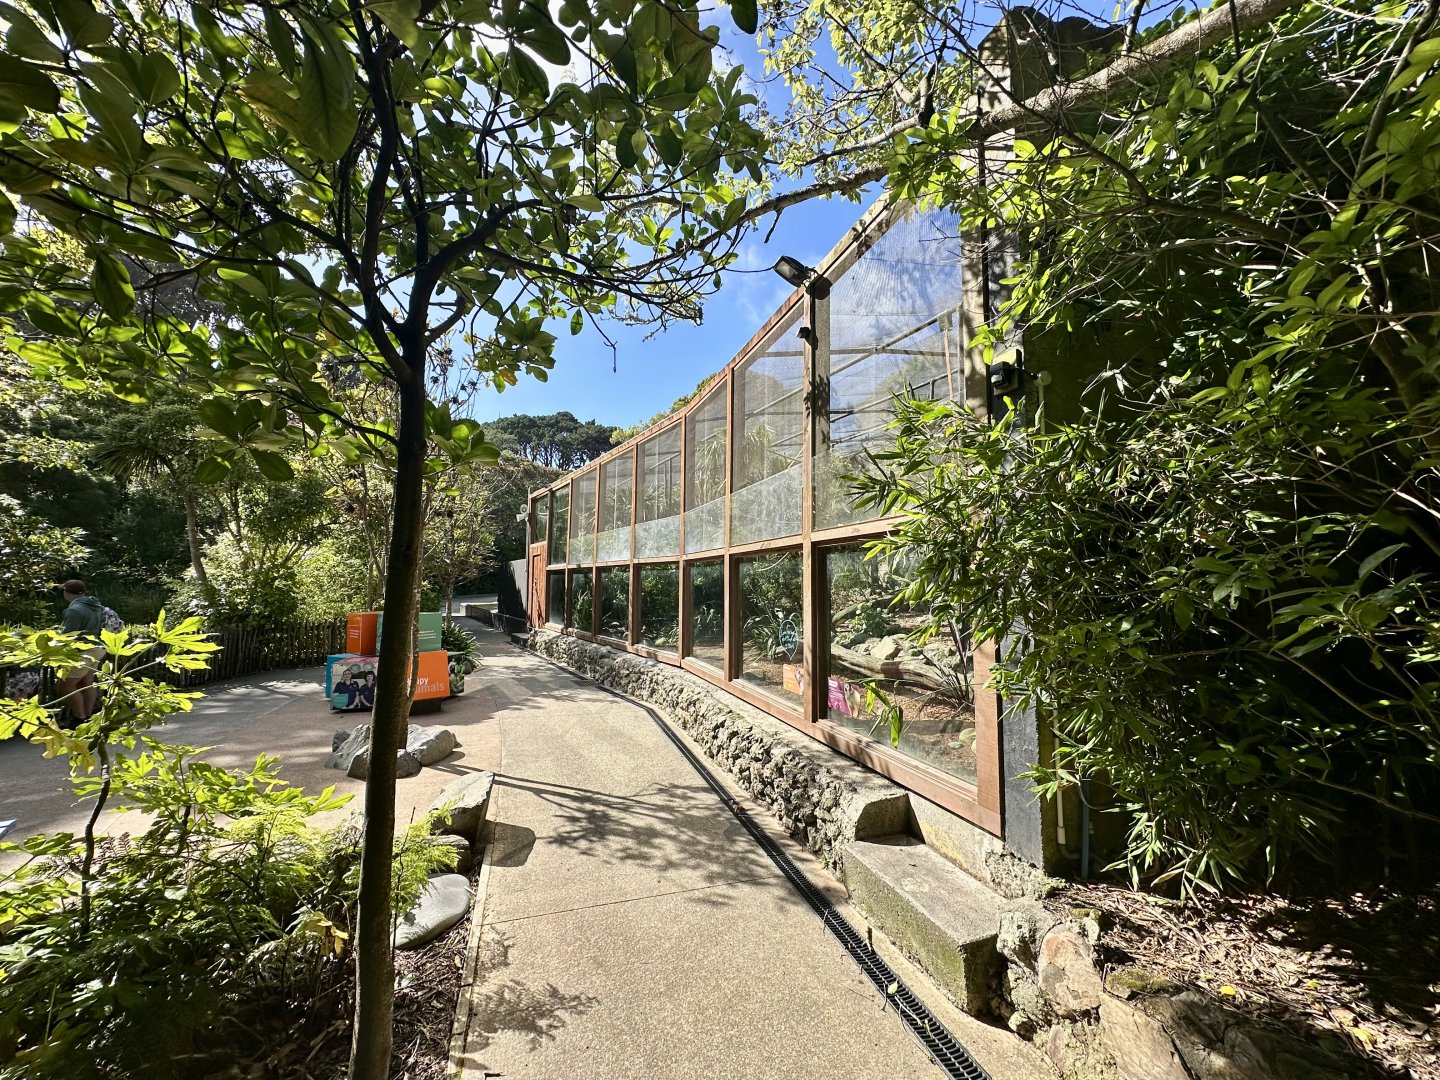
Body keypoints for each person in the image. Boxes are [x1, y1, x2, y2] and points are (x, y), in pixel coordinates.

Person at [57, 579, 105, 725]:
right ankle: (88, 716)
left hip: (82, 651)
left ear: (66, 592)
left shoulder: (74, 610)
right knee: (87, 684)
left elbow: (69, 634)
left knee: (66, 686)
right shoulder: (94, 605)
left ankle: (79, 718)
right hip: (97, 647)